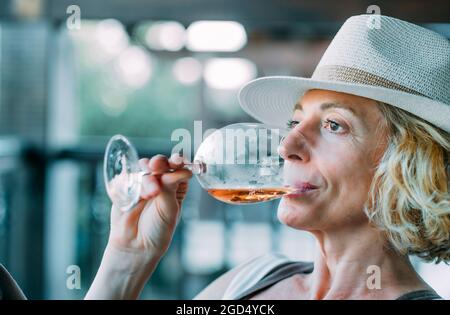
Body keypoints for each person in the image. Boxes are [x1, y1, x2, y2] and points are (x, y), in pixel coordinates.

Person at [1, 14, 448, 300]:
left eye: (334, 125)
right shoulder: (256, 279)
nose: (286, 147)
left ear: (406, 164)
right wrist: (128, 259)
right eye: (296, 122)